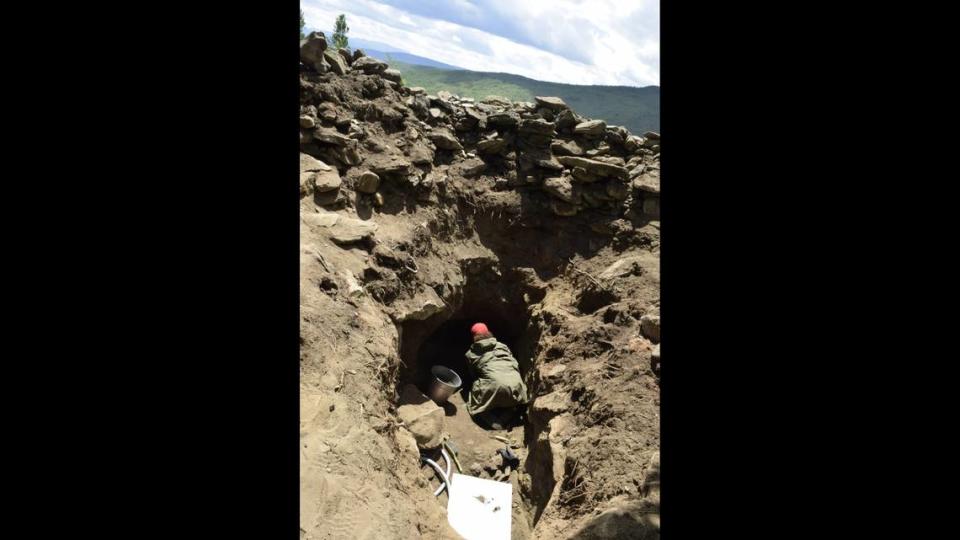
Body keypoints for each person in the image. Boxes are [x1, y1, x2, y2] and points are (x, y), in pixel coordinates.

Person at [464, 322, 528, 430]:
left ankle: (493, 421)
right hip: (516, 385)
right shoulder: (503, 346)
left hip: (493, 387)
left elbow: (473, 374)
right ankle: (509, 413)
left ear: (474, 336)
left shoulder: (470, 353)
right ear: (488, 333)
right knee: (516, 400)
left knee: (473, 398)